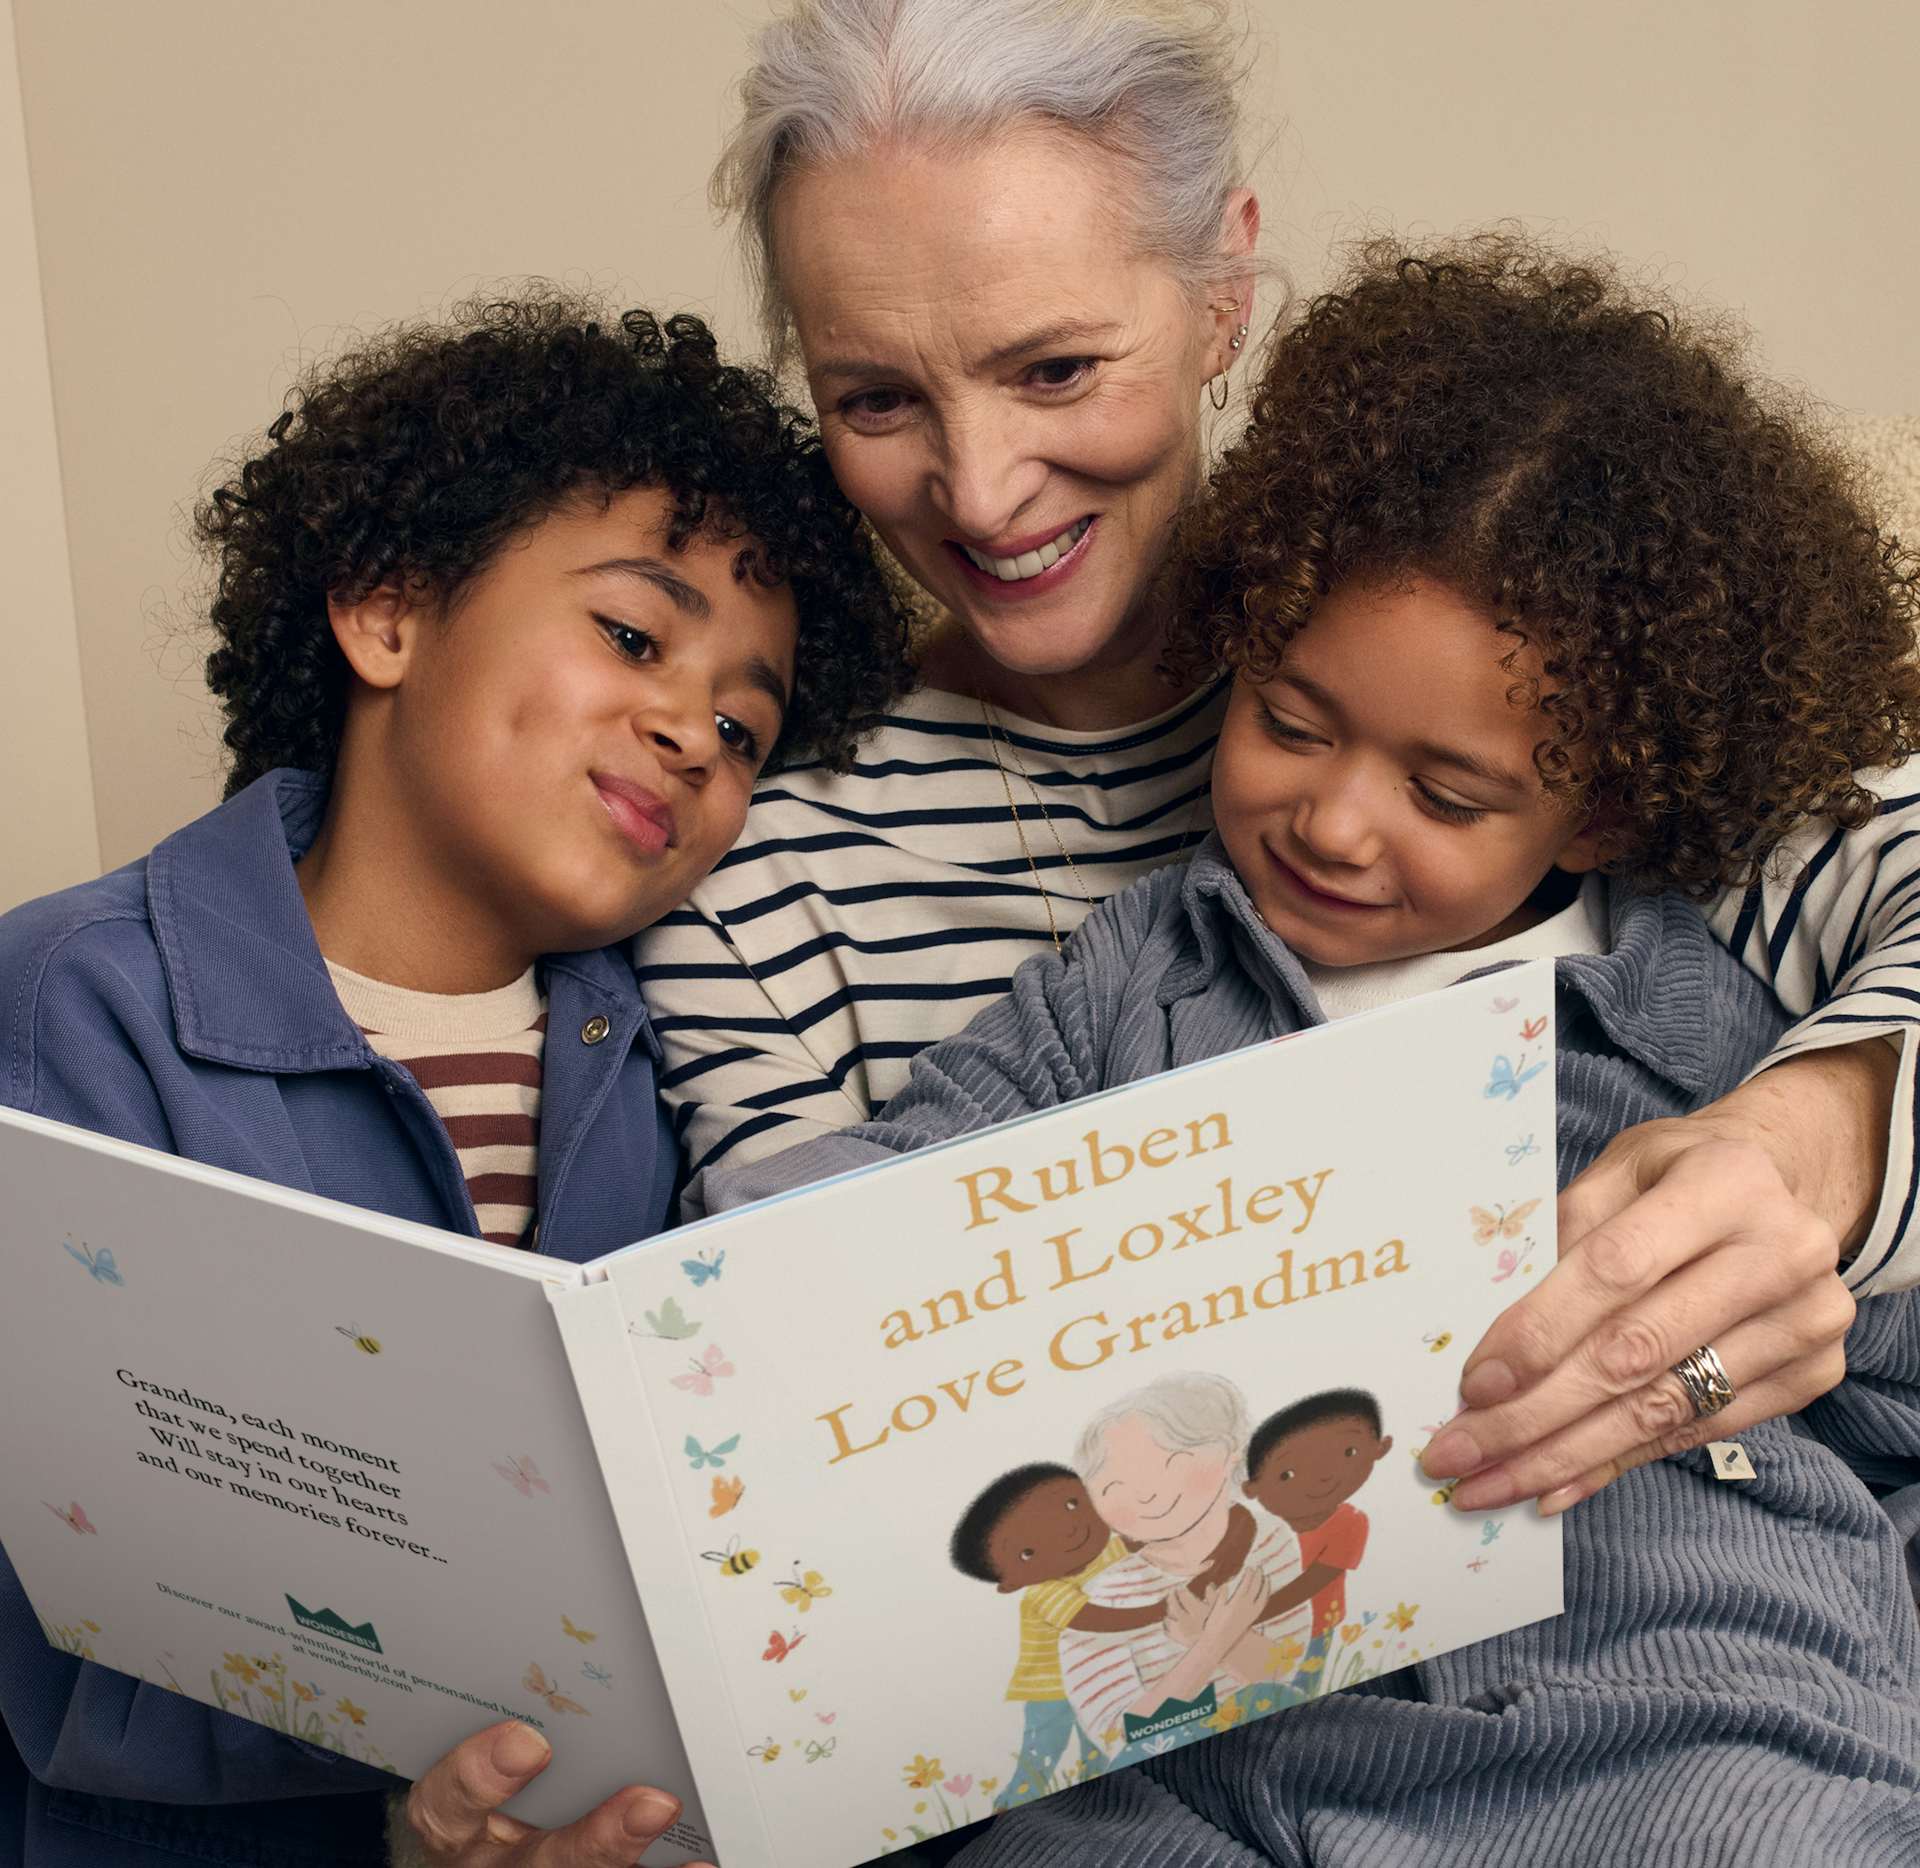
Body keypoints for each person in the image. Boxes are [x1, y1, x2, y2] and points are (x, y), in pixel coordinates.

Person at [702, 235, 1920, 1859]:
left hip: (1658, 1689)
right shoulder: (1132, 978)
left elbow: (1873, 1366)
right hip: (1184, 1732)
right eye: (1289, 717)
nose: (1335, 821)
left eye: (1447, 792)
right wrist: (740, 1286)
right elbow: (899, 1185)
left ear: (1605, 802)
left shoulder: (1706, 1001)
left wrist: (1821, 1362)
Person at [642, 0, 1920, 1517]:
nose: (980, 496)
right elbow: (791, 1407)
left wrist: (1810, 1136)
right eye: (874, 398)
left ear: (1222, 289)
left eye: (1054, 370)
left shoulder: (1553, 645)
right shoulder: (748, 871)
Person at [0, 294, 910, 1868]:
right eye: (634, 637)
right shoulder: (79, 1004)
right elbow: (70, 1630)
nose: (693, 730)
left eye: (748, 727)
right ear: (390, 612)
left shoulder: (670, 1050)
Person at [950, 1457, 1257, 1808]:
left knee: (1095, 1753)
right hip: (1051, 1690)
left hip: (1102, 1680)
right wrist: (1169, 1606)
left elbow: (1166, 1535)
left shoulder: (1111, 1547)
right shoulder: (1044, 1592)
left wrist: (1224, 1548)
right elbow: (1096, 1619)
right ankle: (1013, 1802)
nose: (1068, 1530)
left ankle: (1092, 1798)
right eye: (1028, 1551)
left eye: (1071, 1504)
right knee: (1042, 1754)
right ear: (1011, 1583)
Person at [1240, 1392, 1393, 1690]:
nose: (1322, 1477)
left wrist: (1247, 1616)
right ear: (1251, 1489)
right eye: (1288, 1473)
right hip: (1255, 1630)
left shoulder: (1349, 1523)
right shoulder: (1256, 1530)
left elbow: (1310, 1585)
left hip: (1314, 1627)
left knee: (1299, 1692)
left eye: (1348, 1452)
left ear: (1380, 1448)